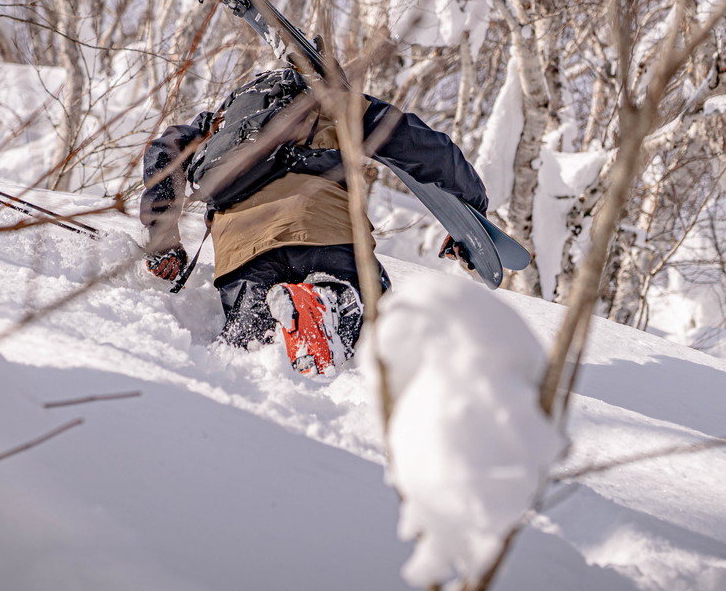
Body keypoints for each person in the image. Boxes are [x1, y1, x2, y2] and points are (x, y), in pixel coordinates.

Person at [139, 62, 489, 376]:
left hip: (241, 247)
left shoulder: (220, 121)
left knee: (254, 351)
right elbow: (427, 147)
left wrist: (163, 243)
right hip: (322, 229)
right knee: (368, 312)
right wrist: (472, 209)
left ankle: (258, 335)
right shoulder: (334, 103)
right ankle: (328, 300)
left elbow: (163, 153)